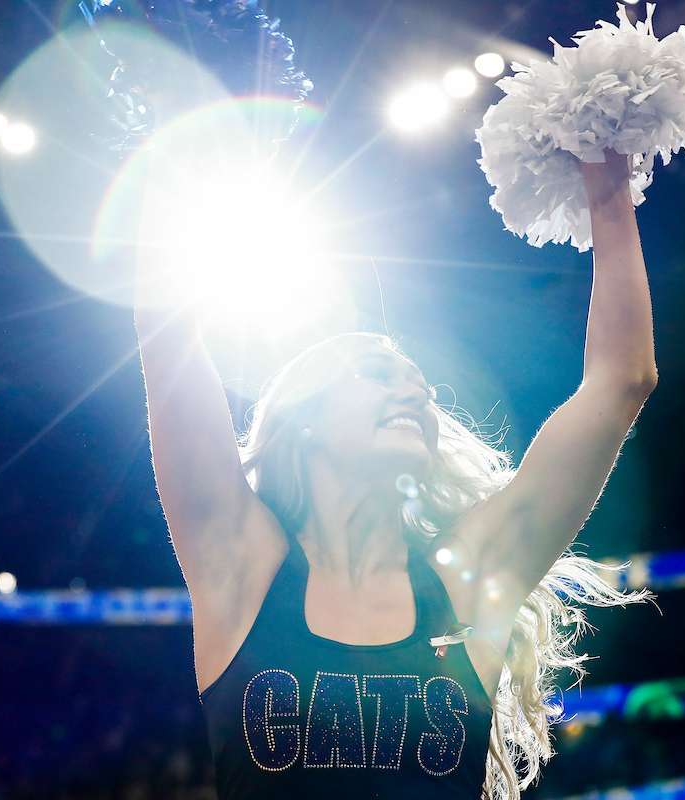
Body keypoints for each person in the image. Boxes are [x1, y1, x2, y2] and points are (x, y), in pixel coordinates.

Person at [133, 149, 656, 800]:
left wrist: (608, 191)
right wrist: (168, 140)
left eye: (423, 389)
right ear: (305, 419)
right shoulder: (243, 566)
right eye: (380, 376)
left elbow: (622, 381)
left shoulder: (468, 580)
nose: (414, 395)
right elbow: (166, 334)